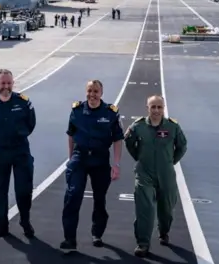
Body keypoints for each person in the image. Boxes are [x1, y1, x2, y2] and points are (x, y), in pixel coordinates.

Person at [60, 80, 124, 252]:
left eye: (96, 91)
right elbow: (71, 134)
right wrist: (70, 158)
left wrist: (116, 164)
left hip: (100, 159)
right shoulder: (77, 111)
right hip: (80, 158)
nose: (92, 94)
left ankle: (97, 233)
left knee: (99, 198)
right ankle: (70, 239)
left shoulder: (111, 113)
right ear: (85, 92)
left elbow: (118, 138)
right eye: (90, 91)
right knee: (73, 195)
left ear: (101, 93)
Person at [124, 94, 188, 257]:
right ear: (147, 108)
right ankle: (143, 243)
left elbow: (182, 146)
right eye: (153, 107)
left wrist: (170, 161)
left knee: (166, 209)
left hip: (166, 174)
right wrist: (138, 158)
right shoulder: (138, 126)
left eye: (159, 107)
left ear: (163, 108)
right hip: (144, 172)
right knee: (144, 209)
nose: (156, 110)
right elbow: (129, 143)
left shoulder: (173, 127)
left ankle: (163, 231)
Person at [0, 68, 37, 238]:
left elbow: (31, 124)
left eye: (9, 83)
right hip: (0, 150)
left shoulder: (23, 102)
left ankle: (25, 221)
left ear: (13, 83)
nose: (6, 86)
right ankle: (2, 225)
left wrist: (18, 136)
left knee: (24, 190)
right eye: (2, 83)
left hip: (20, 150)